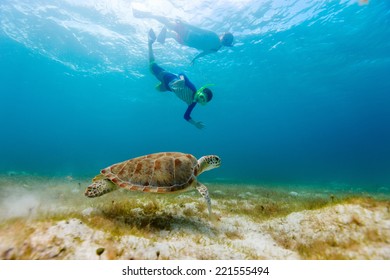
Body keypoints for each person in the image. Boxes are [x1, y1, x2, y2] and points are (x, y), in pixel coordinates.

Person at [148, 29, 213, 129]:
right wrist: (182, 79)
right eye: (202, 97)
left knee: (156, 88)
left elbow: (186, 116)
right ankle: (150, 43)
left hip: (168, 88)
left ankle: (159, 82)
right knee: (151, 66)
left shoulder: (192, 104)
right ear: (200, 91)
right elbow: (181, 73)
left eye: (202, 100)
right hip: (168, 77)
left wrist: (195, 124)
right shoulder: (192, 88)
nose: (200, 99)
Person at [134, 8, 234, 64]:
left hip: (186, 41)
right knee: (169, 25)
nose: (224, 40)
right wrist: (185, 24)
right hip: (187, 35)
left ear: (227, 43)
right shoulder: (214, 37)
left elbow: (204, 53)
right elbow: (198, 29)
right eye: (226, 38)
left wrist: (194, 59)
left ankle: (164, 31)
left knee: (171, 33)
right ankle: (151, 15)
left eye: (227, 40)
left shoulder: (215, 48)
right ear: (223, 36)